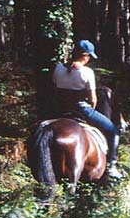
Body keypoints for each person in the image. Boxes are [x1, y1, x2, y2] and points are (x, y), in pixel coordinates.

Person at [52, 39, 123, 179]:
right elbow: (93, 99)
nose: (89, 59)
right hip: (81, 109)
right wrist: (92, 108)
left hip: (61, 109)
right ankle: (111, 167)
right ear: (84, 55)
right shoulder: (87, 72)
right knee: (114, 131)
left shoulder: (58, 68)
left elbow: (55, 87)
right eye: (89, 56)